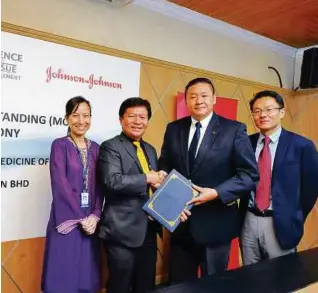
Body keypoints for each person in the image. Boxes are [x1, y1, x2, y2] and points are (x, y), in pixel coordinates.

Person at [158, 77, 259, 284]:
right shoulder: (173, 129)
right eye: (192, 96)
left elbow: (249, 175)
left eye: (204, 95)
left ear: (214, 99)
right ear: (186, 101)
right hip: (181, 223)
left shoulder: (234, 130)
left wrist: (216, 193)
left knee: (213, 285)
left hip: (216, 224)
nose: (198, 100)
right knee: (179, 284)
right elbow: (165, 167)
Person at [240, 90, 318, 265]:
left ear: (281, 112)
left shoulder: (302, 145)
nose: (263, 115)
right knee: (249, 277)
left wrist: (294, 214)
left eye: (269, 109)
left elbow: (311, 188)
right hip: (249, 219)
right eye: (257, 111)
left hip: (281, 222)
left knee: (282, 279)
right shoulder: (245, 143)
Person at [98, 97, 165, 293]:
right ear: (121, 119)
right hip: (121, 231)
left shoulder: (150, 149)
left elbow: (153, 183)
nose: (138, 121)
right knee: (119, 286)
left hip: (150, 229)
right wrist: (147, 177)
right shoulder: (110, 146)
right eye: (132, 116)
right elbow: (113, 182)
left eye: (143, 117)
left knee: (145, 286)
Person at [41, 96, 102, 293]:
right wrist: (81, 218)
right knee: (63, 273)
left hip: (90, 224)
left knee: (85, 275)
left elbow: (101, 185)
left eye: (86, 115)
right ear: (67, 117)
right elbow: (60, 185)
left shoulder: (97, 149)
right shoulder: (59, 145)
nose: (81, 121)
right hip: (66, 218)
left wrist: (95, 215)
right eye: (75, 115)